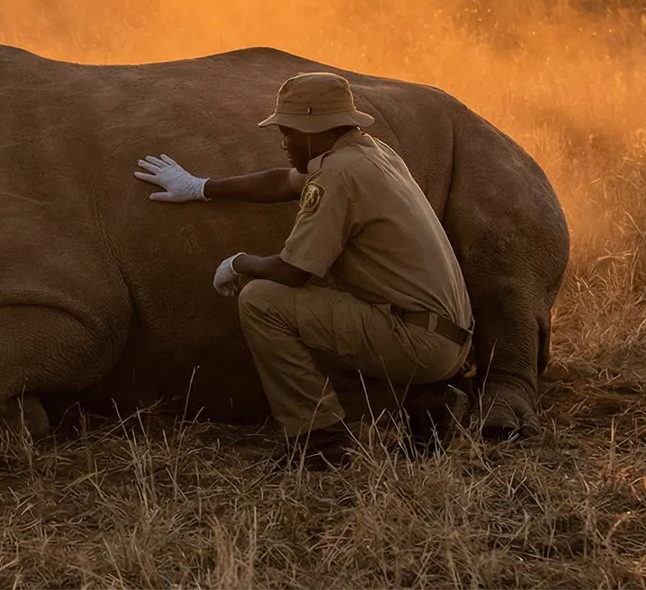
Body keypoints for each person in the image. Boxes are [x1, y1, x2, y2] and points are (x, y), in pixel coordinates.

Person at [134, 71, 473, 467]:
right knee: (327, 314)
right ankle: (425, 401)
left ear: (314, 130)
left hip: (415, 338)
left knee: (262, 301)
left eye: (288, 132)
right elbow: (281, 182)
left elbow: (296, 272)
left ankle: (320, 441)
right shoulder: (370, 152)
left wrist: (240, 262)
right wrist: (201, 186)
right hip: (449, 337)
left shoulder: (337, 175)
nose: (283, 143)